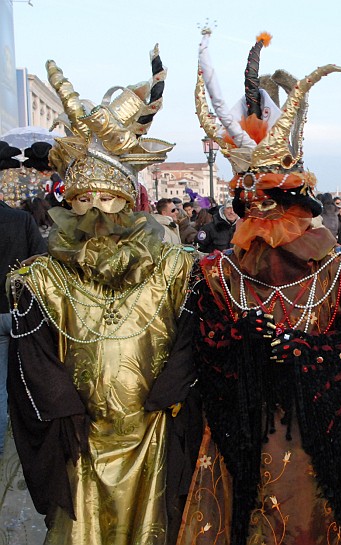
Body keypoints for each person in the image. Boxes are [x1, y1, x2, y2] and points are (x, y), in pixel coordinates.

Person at [180, 30, 341, 545]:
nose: (260, 215)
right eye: (249, 204)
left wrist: (302, 351)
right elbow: (206, 350)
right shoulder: (216, 274)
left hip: (318, 438)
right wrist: (243, 346)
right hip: (247, 437)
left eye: (271, 201)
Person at [7, 50, 202, 545]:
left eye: (108, 197)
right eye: (84, 199)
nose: (96, 210)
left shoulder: (177, 268)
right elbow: (33, 355)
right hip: (84, 434)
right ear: (68, 202)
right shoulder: (41, 277)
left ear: (128, 200)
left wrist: (173, 391)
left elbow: (191, 336)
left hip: (151, 429)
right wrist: (63, 407)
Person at [0, 206, 46, 456]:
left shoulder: (22, 218)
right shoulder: (21, 219)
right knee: (28, 379)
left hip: (13, 310)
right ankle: (27, 442)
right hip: (20, 310)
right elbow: (39, 258)